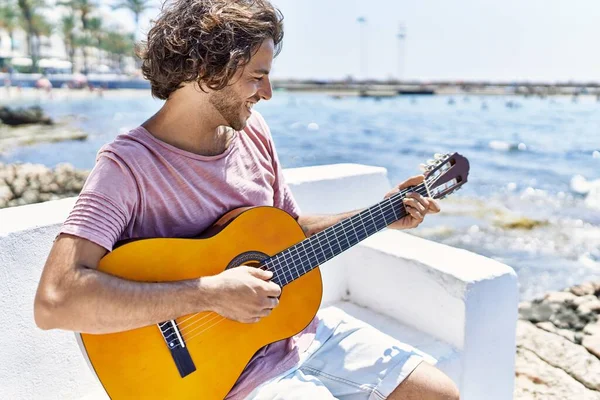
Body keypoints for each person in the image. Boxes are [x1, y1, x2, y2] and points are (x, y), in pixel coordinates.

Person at [33, 1, 459, 399]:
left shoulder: (254, 133)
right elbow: (55, 301)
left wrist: (380, 216)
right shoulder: (127, 166)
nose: (267, 93)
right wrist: (208, 294)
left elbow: (286, 235)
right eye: (257, 76)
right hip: (222, 377)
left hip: (294, 337)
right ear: (205, 70)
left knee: (440, 393)